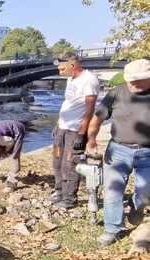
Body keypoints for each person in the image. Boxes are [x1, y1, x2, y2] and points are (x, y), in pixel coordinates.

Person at [86, 59, 150, 246]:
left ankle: (137, 205)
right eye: (129, 80)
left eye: (137, 80)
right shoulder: (117, 93)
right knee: (112, 192)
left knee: (146, 192)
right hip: (118, 150)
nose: (132, 84)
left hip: (147, 152)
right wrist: (91, 139)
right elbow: (97, 119)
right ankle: (113, 229)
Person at [50, 51, 100, 209]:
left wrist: (82, 132)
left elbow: (89, 108)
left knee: (69, 165)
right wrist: (58, 124)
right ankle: (59, 192)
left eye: (62, 69)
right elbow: (68, 103)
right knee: (57, 163)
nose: (60, 71)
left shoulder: (89, 80)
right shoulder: (71, 79)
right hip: (62, 127)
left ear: (73, 64)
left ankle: (69, 199)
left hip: (75, 130)